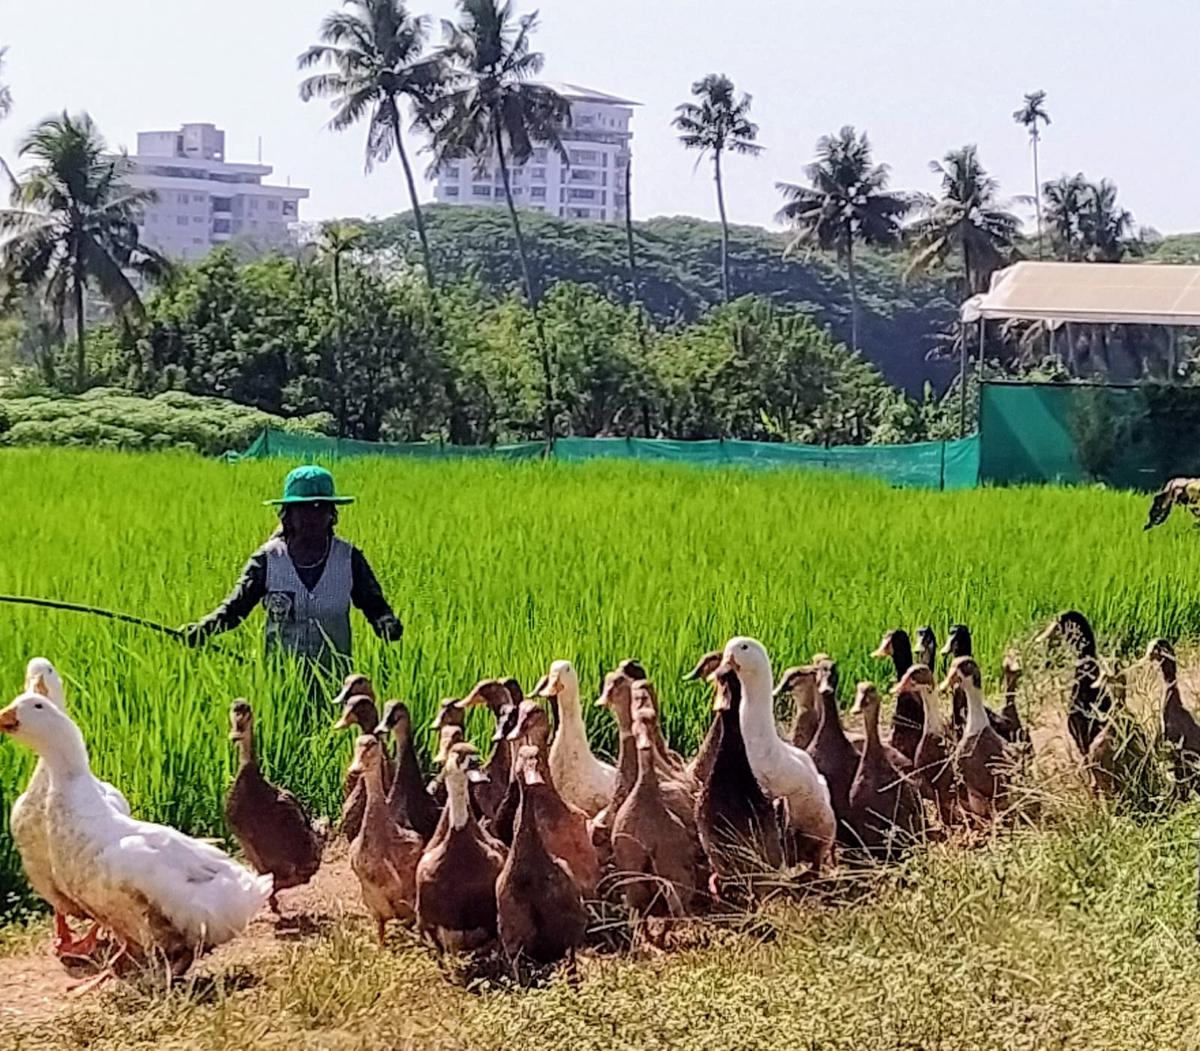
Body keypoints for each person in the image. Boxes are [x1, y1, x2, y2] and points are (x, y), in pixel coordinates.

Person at [183, 465, 402, 672]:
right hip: (281, 680)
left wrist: (386, 623)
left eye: (320, 507)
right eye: (303, 508)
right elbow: (235, 608)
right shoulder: (267, 559)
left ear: (331, 513)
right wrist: (203, 629)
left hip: (335, 683)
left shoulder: (348, 558)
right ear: (288, 513)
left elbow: (374, 604)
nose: (312, 516)